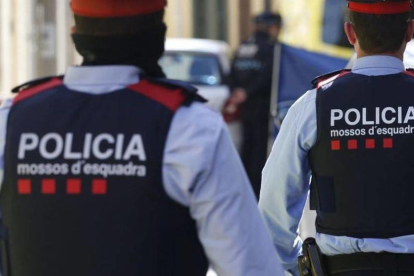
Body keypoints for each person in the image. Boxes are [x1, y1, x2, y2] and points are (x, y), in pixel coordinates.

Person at [0, 1, 284, 275]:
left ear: (75, 34)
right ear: (157, 36)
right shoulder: (191, 128)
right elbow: (251, 267)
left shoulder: (12, 120)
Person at [259, 0, 414, 275]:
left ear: (350, 33)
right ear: (410, 30)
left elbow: (275, 200)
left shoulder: (314, 105)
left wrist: (289, 267)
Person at [230, 12, 283, 199]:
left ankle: (243, 188)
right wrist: (248, 92)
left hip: (244, 106)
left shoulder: (243, 47)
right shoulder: (271, 49)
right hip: (261, 106)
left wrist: (238, 91)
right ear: (270, 27)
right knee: (259, 149)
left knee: (246, 146)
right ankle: (256, 190)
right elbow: (268, 76)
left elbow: (232, 73)